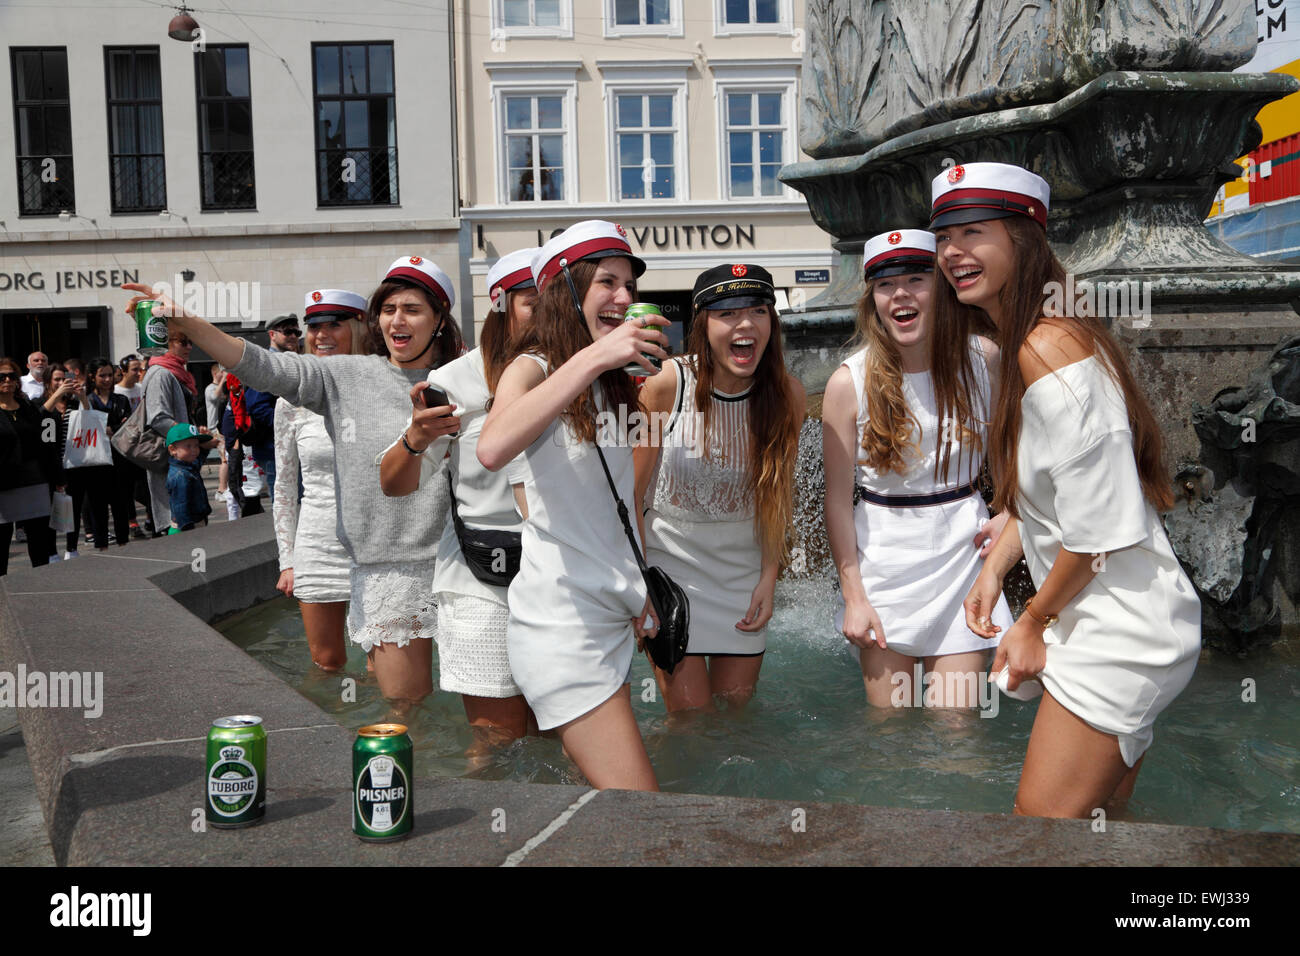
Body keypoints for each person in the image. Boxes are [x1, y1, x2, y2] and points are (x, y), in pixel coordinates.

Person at [929, 162, 1201, 817]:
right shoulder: (1038, 340)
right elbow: (1050, 498)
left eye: (973, 233)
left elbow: (1101, 532)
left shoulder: (1048, 350)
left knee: (1036, 838)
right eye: (943, 236)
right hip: (1116, 624)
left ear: (1023, 240)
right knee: (1105, 827)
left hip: (1119, 636)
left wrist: (1032, 620)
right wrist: (995, 570)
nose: (952, 253)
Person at [124, 255, 459, 707]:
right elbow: (259, 364)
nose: (396, 321)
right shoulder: (343, 375)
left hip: (464, 564)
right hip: (389, 570)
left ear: (440, 319)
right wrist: (186, 320)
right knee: (406, 712)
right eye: (388, 308)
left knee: (489, 725)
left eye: (412, 309)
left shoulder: (467, 376)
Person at [478, 220, 671, 792]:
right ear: (567, 291)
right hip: (562, 625)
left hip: (610, 613)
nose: (623, 297)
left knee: (595, 801)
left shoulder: (612, 382)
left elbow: (619, 500)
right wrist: (593, 359)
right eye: (607, 282)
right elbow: (491, 448)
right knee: (643, 804)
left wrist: (642, 588)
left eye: (629, 285)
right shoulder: (533, 366)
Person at [822, 229, 1012, 708]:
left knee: (958, 728)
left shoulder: (984, 361)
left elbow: (1018, 456)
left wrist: (1011, 509)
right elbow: (838, 502)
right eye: (886, 284)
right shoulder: (849, 382)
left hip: (963, 560)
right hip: (884, 568)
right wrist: (854, 597)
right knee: (889, 734)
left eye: (915, 278)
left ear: (943, 290)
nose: (901, 293)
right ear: (873, 300)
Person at [380, 247, 540, 755]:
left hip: (561, 572)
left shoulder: (581, 374)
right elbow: (394, 483)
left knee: (565, 737)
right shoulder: (454, 381)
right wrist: (415, 438)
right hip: (479, 579)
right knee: (496, 737)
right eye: (534, 303)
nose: (549, 316)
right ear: (500, 304)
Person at [633, 263, 804, 712]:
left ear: (772, 321)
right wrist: (639, 583)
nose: (744, 324)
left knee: (736, 721)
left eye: (756, 311)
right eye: (727, 313)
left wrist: (769, 579)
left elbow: (777, 498)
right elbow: (632, 493)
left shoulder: (789, 395)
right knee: (691, 722)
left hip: (743, 581)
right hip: (671, 575)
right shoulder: (666, 384)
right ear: (703, 323)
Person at [274, 289, 372, 672]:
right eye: (314, 326)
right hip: (316, 544)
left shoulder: (382, 386)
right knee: (326, 663)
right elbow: (283, 486)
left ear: (360, 328)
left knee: (384, 667)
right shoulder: (291, 400)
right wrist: (288, 560)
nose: (322, 335)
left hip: (374, 543)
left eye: (335, 324)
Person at [140, 328, 213, 534]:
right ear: (166, 343)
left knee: (189, 511)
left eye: (190, 341)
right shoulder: (160, 373)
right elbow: (158, 418)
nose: (189, 347)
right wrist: (191, 436)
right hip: (169, 457)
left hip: (181, 454)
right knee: (178, 519)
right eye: (183, 341)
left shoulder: (174, 371)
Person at [0, 356, 57, 573]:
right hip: (3, 485)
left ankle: (39, 590)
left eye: (11, 376)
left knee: (40, 544)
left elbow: (46, 443)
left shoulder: (28, 407)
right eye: (1, 376)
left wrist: (57, 478)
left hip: (34, 481)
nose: (7, 380)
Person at [82, 358, 133, 549]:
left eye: (110, 375)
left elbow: (129, 425)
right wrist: (107, 426)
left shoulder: (121, 399)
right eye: (102, 375)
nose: (107, 379)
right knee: (98, 505)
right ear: (92, 377)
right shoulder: (87, 399)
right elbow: (86, 423)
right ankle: (101, 544)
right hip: (95, 459)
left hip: (118, 457)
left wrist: (113, 427)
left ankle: (123, 542)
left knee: (121, 504)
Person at [40, 364, 82, 559]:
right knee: (49, 511)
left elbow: (90, 419)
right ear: (48, 382)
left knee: (73, 507)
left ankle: (72, 548)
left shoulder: (74, 404)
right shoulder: (41, 404)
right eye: (56, 379)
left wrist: (82, 397)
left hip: (73, 463)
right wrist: (56, 396)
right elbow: (41, 423)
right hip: (49, 466)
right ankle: (51, 551)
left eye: (63, 379)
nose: (61, 383)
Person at [165, 423, 211, 532]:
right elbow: (180, 506)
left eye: (196, 445)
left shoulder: (188, 465)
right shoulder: (180, 476)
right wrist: (188, 531)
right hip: (186, 527)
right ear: (172, 449)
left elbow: (199, 460)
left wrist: (205, 448)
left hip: (196, 522)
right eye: (188, 446)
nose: (194, 450)